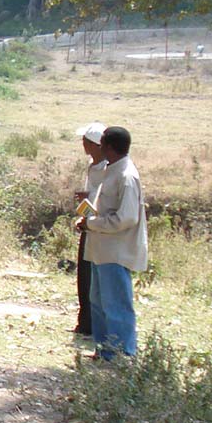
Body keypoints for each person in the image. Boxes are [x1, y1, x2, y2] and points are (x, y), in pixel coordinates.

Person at [78, 126, 148, 360]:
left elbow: (126, 218)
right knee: (98, 302)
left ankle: (122, 353)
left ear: (108, 146)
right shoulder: (110, 170)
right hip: (101, 249)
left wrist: (93, 224)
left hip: (115, 251)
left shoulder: (126, 176)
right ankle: (105, 350)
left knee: (116, 304)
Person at [72, 122, 108, 336]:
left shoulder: (106, 169)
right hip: (89, 224)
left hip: (99, 227)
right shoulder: (93, 166)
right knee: (84, 277)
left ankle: (92, 324)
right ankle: (85, 322)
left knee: (93, 278)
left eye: (85, 141)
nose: (83, 144)